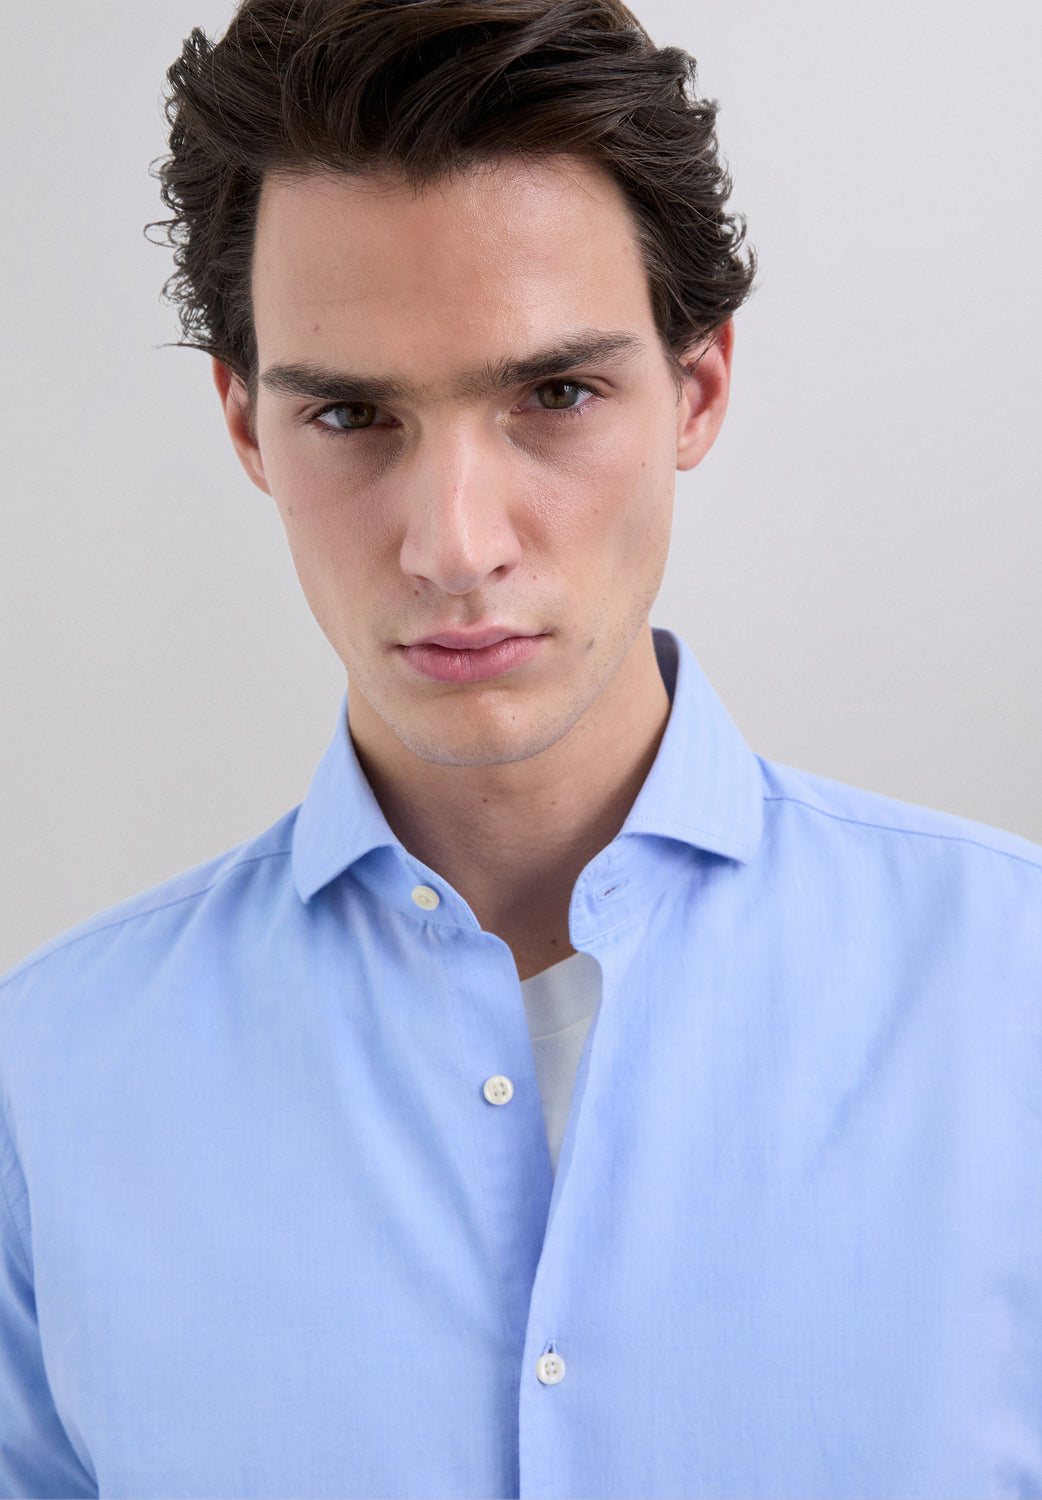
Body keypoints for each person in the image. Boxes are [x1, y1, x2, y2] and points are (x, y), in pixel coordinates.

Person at [0, 0, 1038, 1495]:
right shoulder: (49, 1086)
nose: (453, 544)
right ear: (244, 423)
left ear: (697, 388)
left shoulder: (1012, 997)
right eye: (350, 414)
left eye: (555, 394)